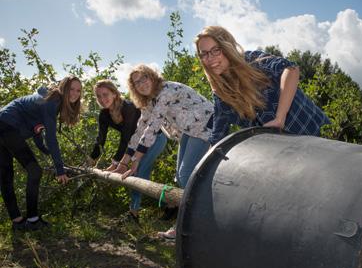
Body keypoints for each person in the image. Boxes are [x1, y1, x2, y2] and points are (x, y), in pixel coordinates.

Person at [114, 64, 213, 239]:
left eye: (144, 78)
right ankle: (191, 221)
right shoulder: (149, 102)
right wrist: (123, 162)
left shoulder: (166, 90)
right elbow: (140, 131)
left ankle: (198, 221)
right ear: (134, 88)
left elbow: (153, 127)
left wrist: (136, 160)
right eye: (136, 82)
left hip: (205, 125)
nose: (141, 84)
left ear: (152, 77)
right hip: (190, 130)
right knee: (181, 176)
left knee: (186, 174)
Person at [194, 26, 330, 145]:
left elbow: (291, 69)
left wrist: (279, 118)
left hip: (320, 134)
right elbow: (218, 136)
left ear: (227, 47)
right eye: (204, 54)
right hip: (293, 151)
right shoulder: (221, 93)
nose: (210, 58)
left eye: (216, 50)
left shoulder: (252, 61)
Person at [0, 76, 82, 231]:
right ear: (63, 87)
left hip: (4, 125)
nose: (75, 93)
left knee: (6, 176)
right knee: (35, 171)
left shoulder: (49, 98)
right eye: (71, 88)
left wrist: (46, 152)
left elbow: (37, 132)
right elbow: (51, 138)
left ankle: (17, 222)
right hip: (7, 127)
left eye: (78, 90)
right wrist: (60, 169)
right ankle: (32, 220)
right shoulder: (53, 102)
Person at [89, 79, 167, 223]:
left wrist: (117, 163)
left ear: (114, 93)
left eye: (105, 94)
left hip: (154, 138)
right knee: (140, 173)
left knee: (138, 171)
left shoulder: (128, 107)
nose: (102, 99)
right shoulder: (104, 114)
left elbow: (127, 137)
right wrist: (92, 159)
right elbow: (101, 139)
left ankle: (134, 214)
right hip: (136, 142)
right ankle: (169, 203)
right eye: (98, 96)